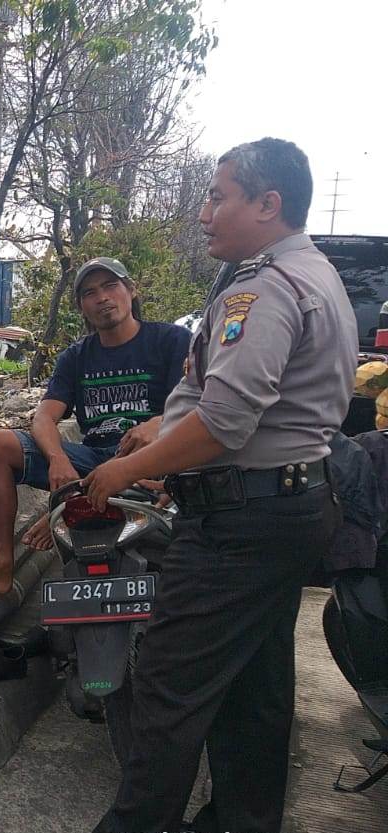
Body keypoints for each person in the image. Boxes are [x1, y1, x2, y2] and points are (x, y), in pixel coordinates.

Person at [83, 138, 357, 833]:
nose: (204, 213)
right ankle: (242, 819)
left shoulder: (260, 288)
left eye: (217, 197)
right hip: (289, 504)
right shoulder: (316, 272)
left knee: (167, 682)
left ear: (268, 204)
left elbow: (227, 422)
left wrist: (126, 468)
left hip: (241, 521)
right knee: (254, 682)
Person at [0, 256, 191, 593]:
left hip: (155, 460)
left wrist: (158, 423)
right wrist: (57, 458)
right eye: (90, 292)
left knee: (153, 441)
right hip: (93, 458)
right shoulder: (76, 357)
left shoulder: (173, 340)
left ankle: (78, 502)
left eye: (110, 286)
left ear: (131, 290)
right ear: (81, 307)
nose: (102, 297)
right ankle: (0, 562)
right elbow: (44, 417)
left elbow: (196, 402)